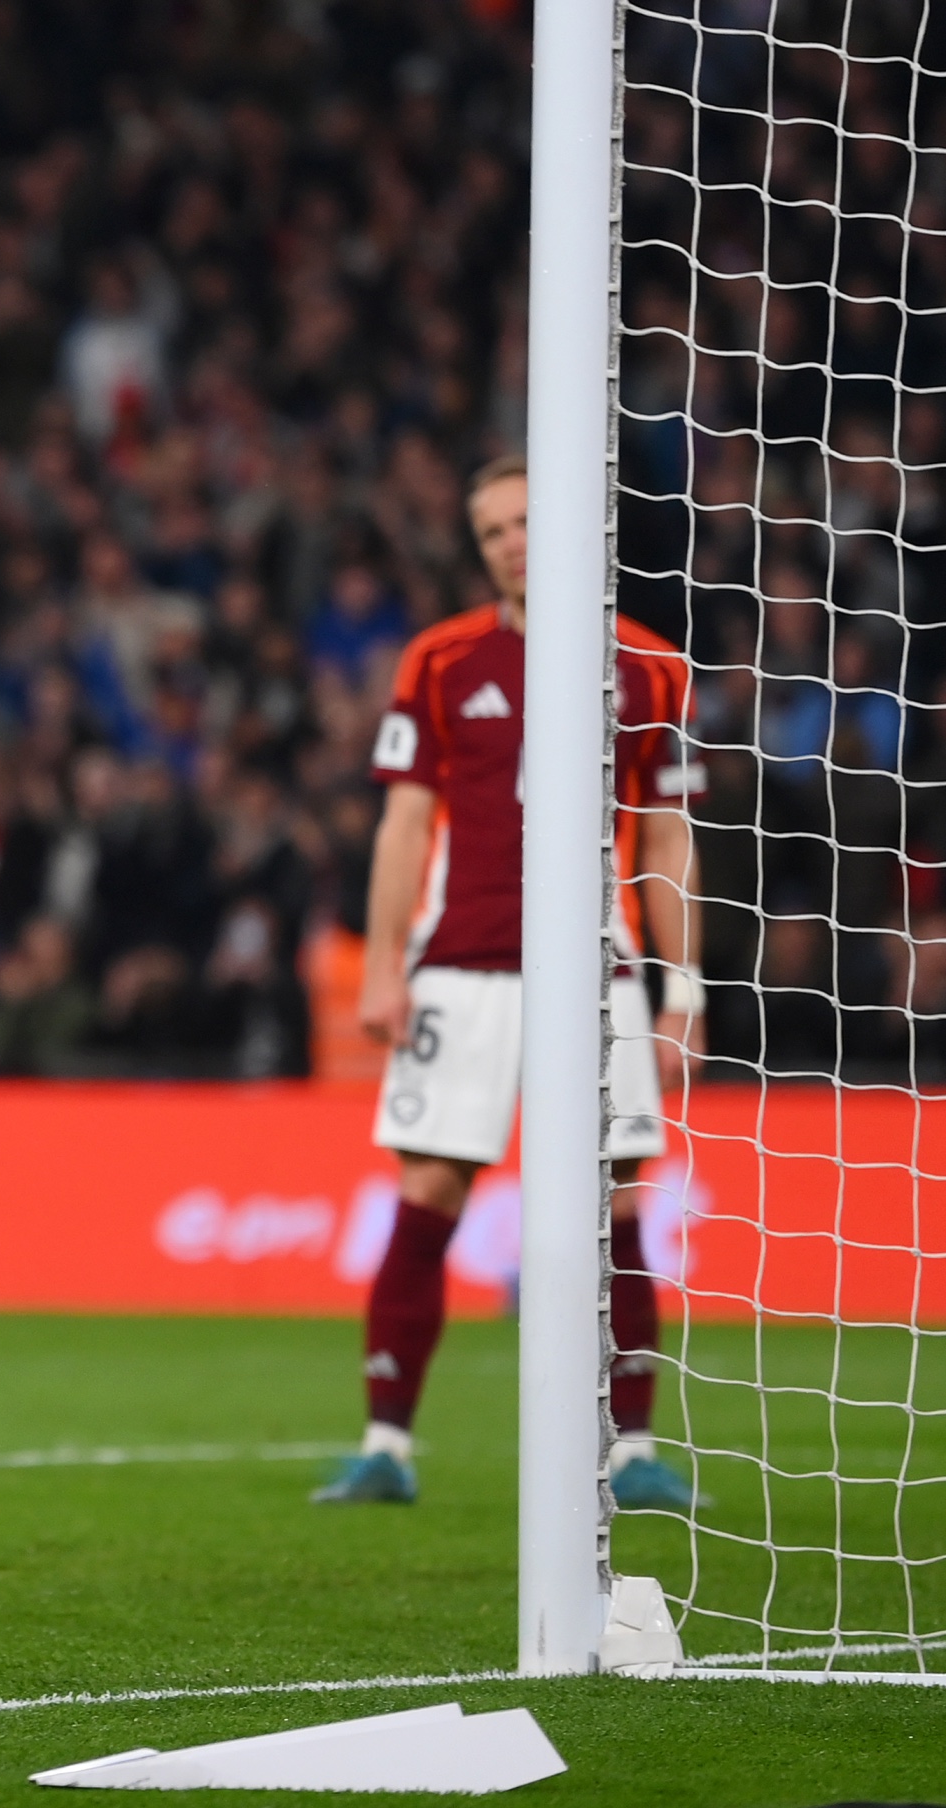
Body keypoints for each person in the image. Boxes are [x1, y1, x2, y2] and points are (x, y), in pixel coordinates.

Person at [318, 454, 705, 1509]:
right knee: (426, 1191)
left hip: (597, 972)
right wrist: (383, 967)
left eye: (525, 520)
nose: (510, 543)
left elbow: (667, 836)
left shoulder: (651, 666)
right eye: (491, 530)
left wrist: (683, 990)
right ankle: (384, 1445)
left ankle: (630, 1452)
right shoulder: (440, 659)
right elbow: (403, 825)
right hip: (462, 967)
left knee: (617, 1199)